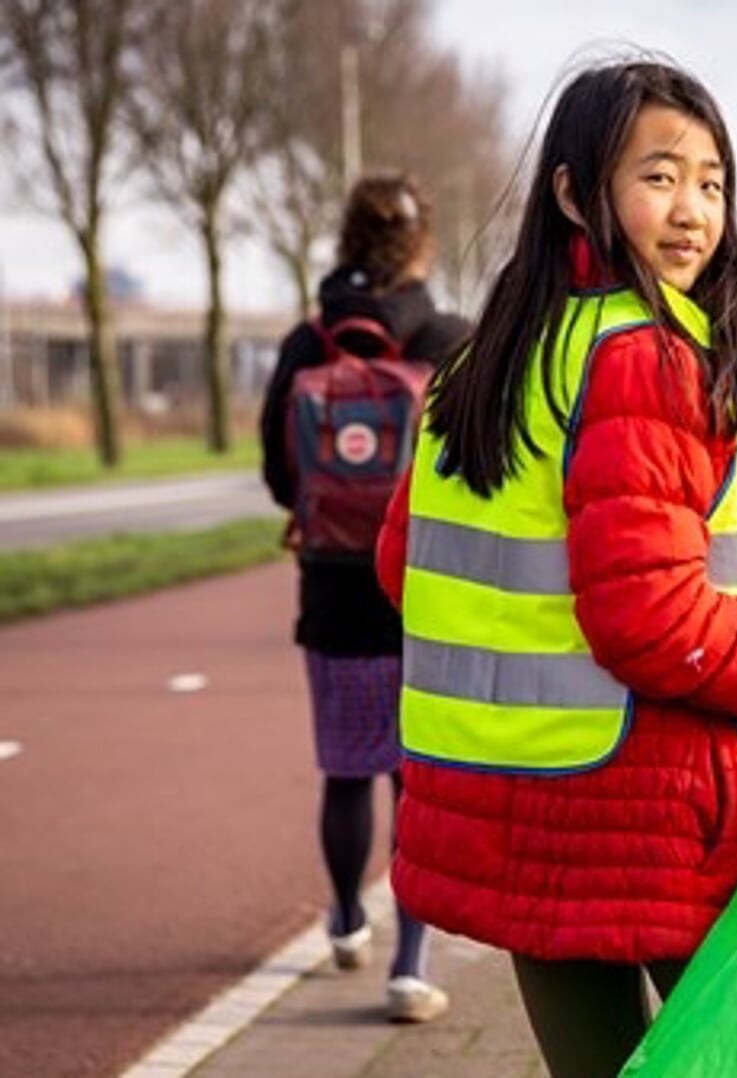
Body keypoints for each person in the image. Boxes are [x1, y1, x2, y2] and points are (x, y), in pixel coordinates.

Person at [370, 60, 737, 1078]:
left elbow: (408, 563)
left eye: (711, 182)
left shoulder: (482, 361)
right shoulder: (645, 356)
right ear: (575, 191)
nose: (693, 210)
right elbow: (657, 623)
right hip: (645, 809)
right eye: (659, 176)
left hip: (500, 798)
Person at [259, 172, 465, 1025]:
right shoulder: (451, 336)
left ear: (344, 238)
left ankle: (345, 921)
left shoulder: (308, 343)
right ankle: (409, 969)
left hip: (334, 587)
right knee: (417, 780)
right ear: (423, 247)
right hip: (426, 587)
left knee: (346, 765)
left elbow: (280, 473)